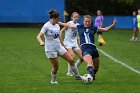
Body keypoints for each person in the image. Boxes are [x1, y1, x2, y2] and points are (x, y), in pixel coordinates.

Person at [58, 15, 117, 80]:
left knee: (96, 67)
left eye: (89, 21)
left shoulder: (94, 28)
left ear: (91, 22)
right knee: (89, 63)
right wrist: (59, 22)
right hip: (85, 47)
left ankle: (92, 75)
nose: (87, 23)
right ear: (83, 21)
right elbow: (69, 25)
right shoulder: (79, 27)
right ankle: (89, 76)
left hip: (93, 48)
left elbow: (105, 29)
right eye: (86, 21)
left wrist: (113, 25)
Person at [36, 9, 81, 84]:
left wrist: (63, 45)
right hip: (50, 49)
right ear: (53, 18)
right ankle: (53, 80)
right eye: (58, 19)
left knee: (71, 60)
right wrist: (41, 41)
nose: (59, 20)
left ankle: (77, 76)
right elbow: (38, 36)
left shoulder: (57, 25)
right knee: (56, 67)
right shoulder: (46, 26)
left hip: (59, 47)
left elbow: (68, 27)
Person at [60, 12, 83, 76]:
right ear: (72, 17)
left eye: (77, 17)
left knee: (82, 58)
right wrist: (62, 42)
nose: (75, 18)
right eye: (74, 17)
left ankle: (74, 68)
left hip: (75, 44)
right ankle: (69, 72)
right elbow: (61, 31)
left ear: (78, 18)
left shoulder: (78, 25)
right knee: (72, 57)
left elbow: (77, 36)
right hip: (68, 44)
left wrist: (79, 44)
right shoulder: (69, 23)